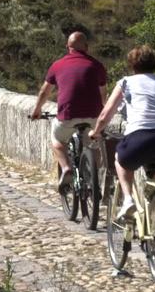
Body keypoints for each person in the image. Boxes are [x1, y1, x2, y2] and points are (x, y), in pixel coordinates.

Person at [88, 45, 155, 219]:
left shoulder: (126, 83)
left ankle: (128, 200)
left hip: (139, 138)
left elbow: (104, 116)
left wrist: (95, 132)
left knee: (120, 160)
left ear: (132, 66)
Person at [30, 31, 107, 191]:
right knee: (94, 145)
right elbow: (103, 94)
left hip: (68, 116)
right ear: (86, 47)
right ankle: (92, 177)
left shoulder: (58, 65)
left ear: (68, 47)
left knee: (57, 141)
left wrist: (37, 110)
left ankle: (66, 168)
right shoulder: (97, 65)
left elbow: (45, 92)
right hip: (94, 116)